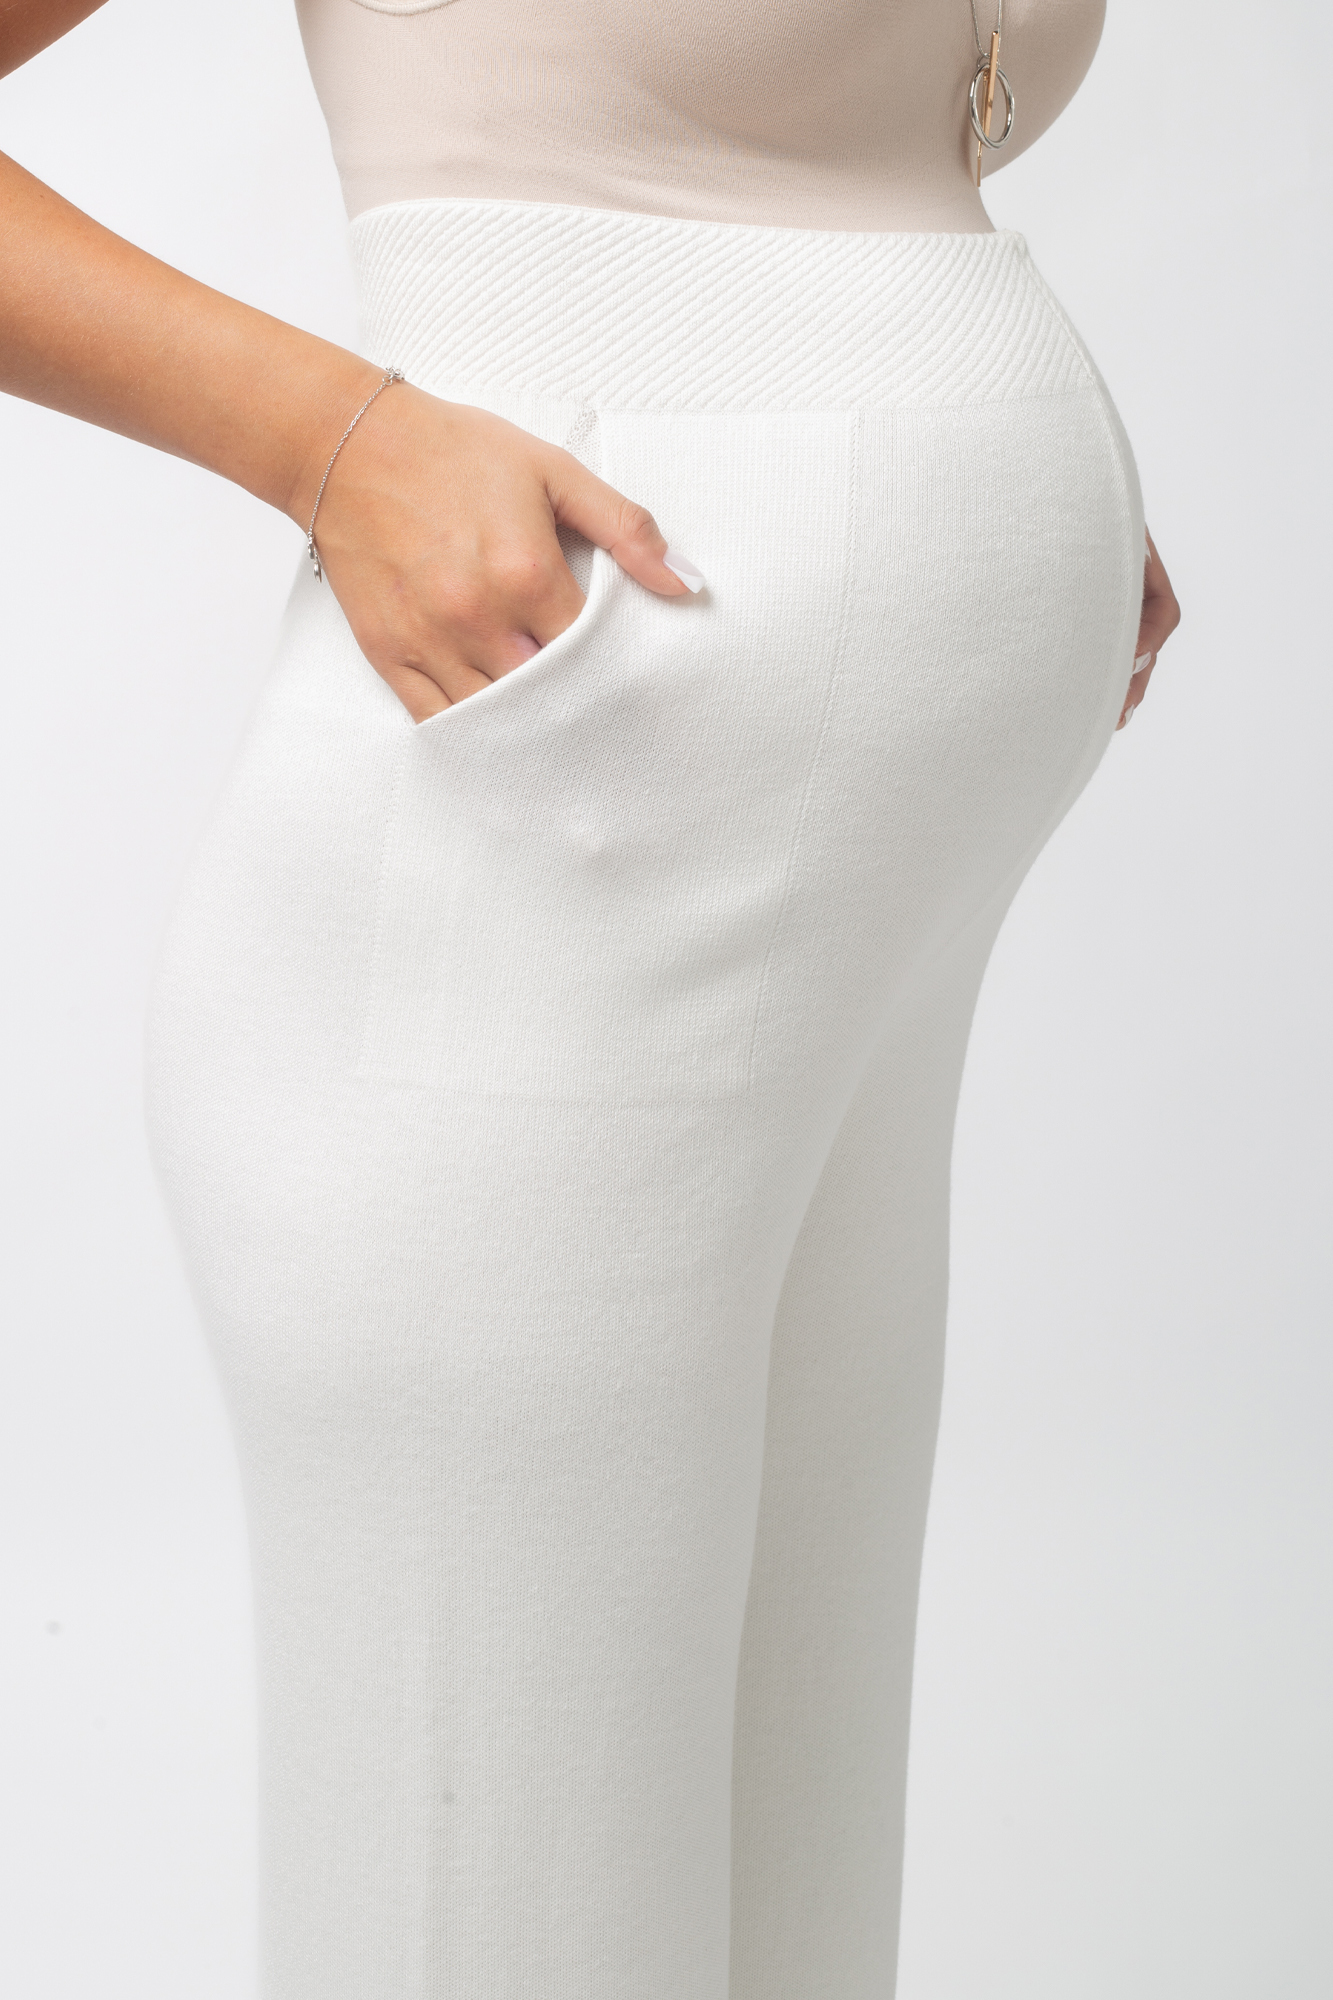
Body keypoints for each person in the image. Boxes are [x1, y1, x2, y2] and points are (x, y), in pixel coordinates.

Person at [1, 3, 1180, 1995]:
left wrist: (993, 474)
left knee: (789, 1919)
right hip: (516, 923)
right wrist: (334, 439)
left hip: (840, 944)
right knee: (504, 1912)